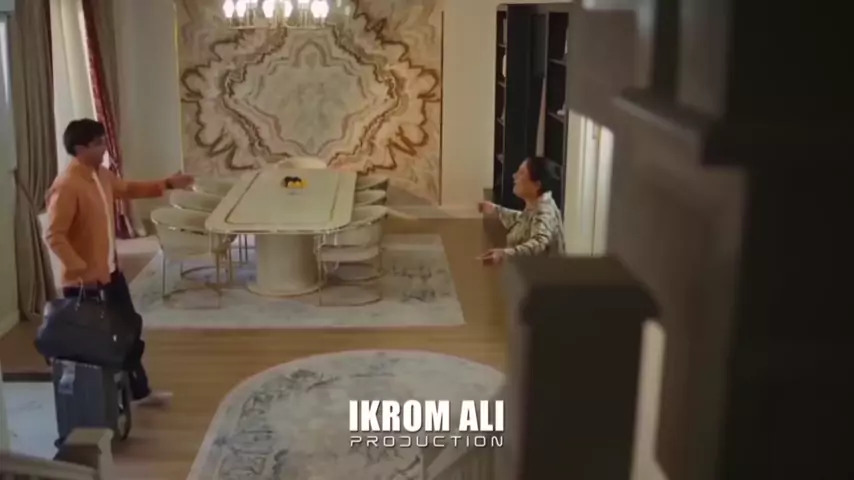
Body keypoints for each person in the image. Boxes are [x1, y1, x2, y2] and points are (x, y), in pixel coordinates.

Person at [44, 119, 194, 407]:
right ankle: (95, 402)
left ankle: (139, 392)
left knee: (128, 331)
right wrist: (80, 269)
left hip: (110, 274)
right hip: (84, 283)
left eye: (103, 141)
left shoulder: (101, 175)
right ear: (80, 148)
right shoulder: (67, 185)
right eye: (98, 143)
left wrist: (166, 184)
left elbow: (126, 189)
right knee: (93, 345)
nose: (104, 148)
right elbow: (54, 235)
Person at [477, 156, 565, 265]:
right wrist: (496, 210)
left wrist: (504, 254)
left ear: (537, 185)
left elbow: (539, 243)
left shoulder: (545, 211)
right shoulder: (536, 205)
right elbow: (523, 220)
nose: (514, 176)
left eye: (521, 173)